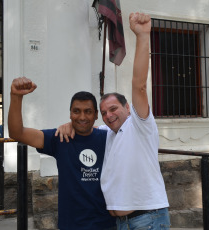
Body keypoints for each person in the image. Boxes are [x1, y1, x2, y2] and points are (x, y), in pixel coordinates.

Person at [57, 12, 170, 229]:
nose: (109, 115)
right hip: (121, 223)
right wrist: (69, 124)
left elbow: (139, 85)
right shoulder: (109, 133)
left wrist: (142, 35)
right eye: (104, 112)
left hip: (148, 220)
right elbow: (85, 125)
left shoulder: (139, 124)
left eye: (113, 109)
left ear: (128, 107)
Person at [8, 77, 116, 230]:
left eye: (88, 112)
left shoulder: (109, 139)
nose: (82, 117)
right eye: (76, 111)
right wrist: (16, 97)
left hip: (106, 224)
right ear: (70, 114)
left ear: (96, 114)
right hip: (70, 225)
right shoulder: (59, 138)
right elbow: (17, 133)